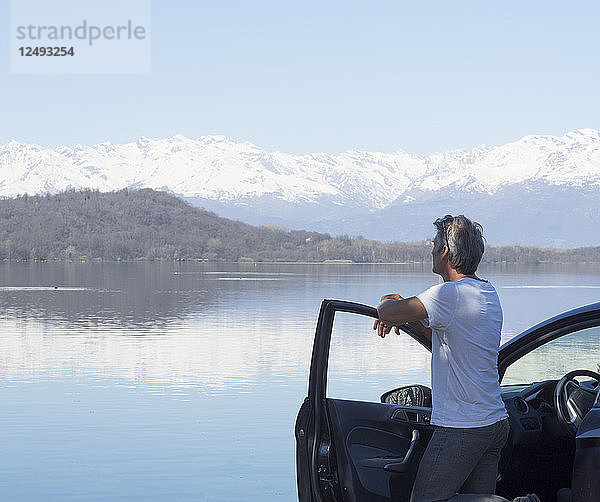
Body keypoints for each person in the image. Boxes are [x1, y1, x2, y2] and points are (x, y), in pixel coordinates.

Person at [373, 215, 540, 502]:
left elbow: (386, 313)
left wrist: (390, 302)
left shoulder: (448, 294)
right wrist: (409, 317)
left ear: (446, 252)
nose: (432, 250)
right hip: (494, 423)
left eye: (435, 244)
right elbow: (440, 338)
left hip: (463, 428)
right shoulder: (487, 292)